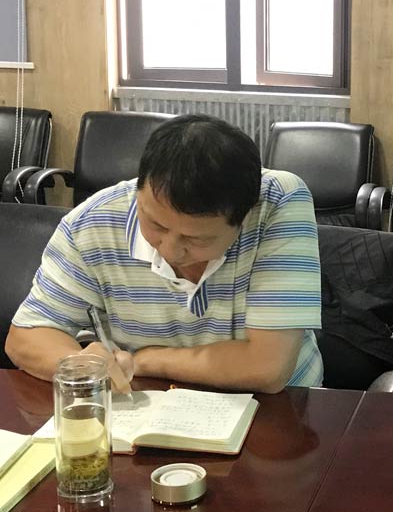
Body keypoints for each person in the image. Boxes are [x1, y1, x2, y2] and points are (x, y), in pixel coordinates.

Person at [7, 114, 323, 394]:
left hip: (278, 408)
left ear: (244, 217)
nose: (170, 250)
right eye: (156, 224)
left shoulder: (278, 202)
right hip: (145, 401)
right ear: (139, 188)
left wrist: (146, 360)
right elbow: (26, 336)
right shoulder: (91, 222)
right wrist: (81, 363)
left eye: (197, 239)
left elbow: (267, 368)